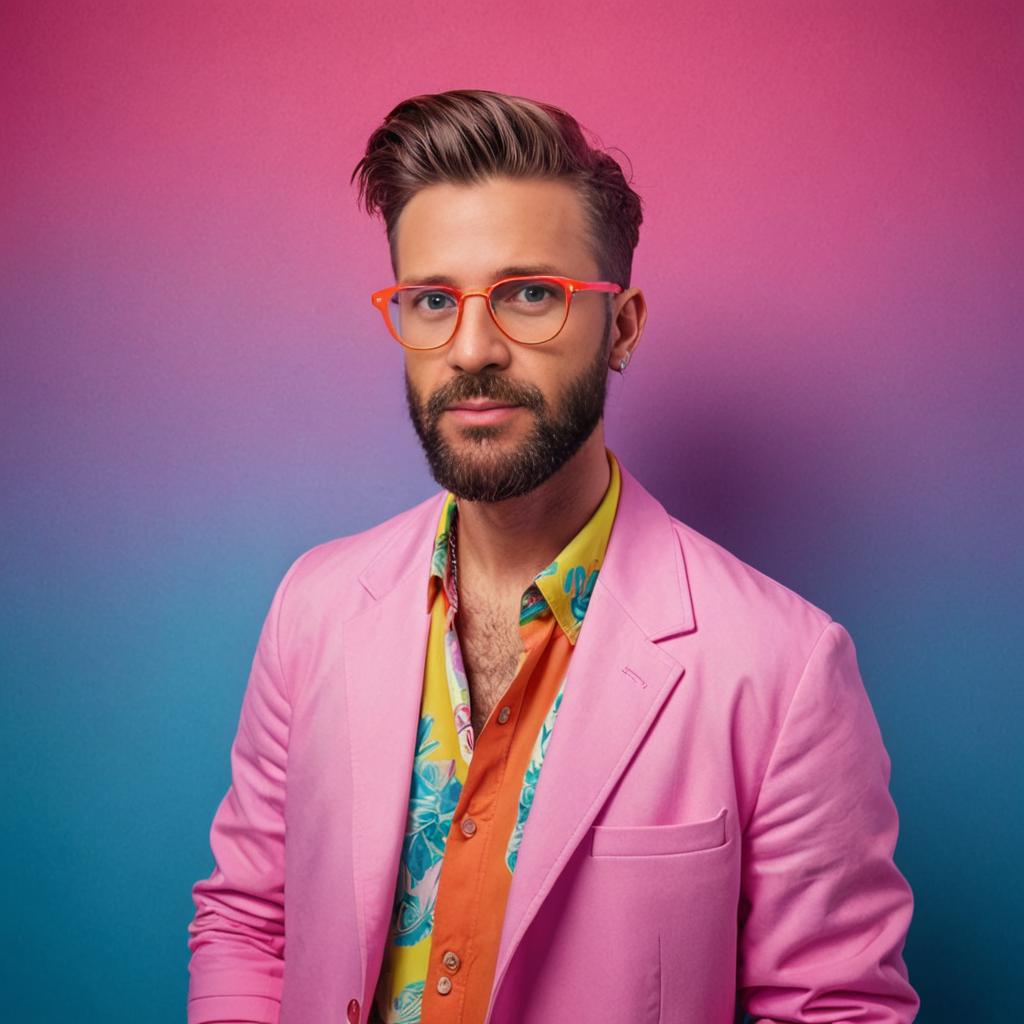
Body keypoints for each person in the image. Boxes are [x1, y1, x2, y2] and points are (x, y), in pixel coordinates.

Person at [186, 89, 918, 1024]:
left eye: (531, 294)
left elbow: (835, 1009)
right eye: (432, 300)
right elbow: (250, 921)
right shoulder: (312, 607)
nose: (473, 348)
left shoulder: (785, 670)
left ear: (624, 325)